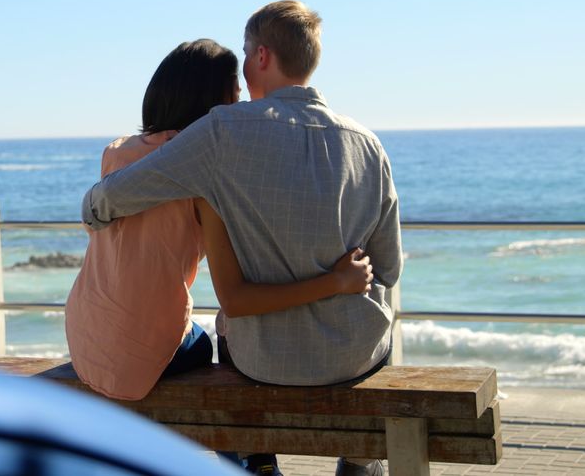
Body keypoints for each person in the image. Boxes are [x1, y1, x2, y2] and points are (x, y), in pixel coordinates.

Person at [80, 2, 402, 476]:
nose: (244, 65)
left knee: (220, 328)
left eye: (248, 51)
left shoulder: (222, 133)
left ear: (263, 56)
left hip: (264, 361)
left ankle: (257, 461)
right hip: (354, 357)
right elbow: (389, 268)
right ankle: (358, 461)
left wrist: (93, 209)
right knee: (381, 331)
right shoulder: (368, 143)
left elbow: (120, 195)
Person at [66, 39, 375, 405]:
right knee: (220, 343)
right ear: (213, 103)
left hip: (85, 332)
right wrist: (337, 280)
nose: (241, 99)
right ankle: (252, 460)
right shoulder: (206, 179)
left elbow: (97, 227)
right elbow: (237, 297)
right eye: (234, 90)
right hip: (137, 352)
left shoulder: (117, 151)